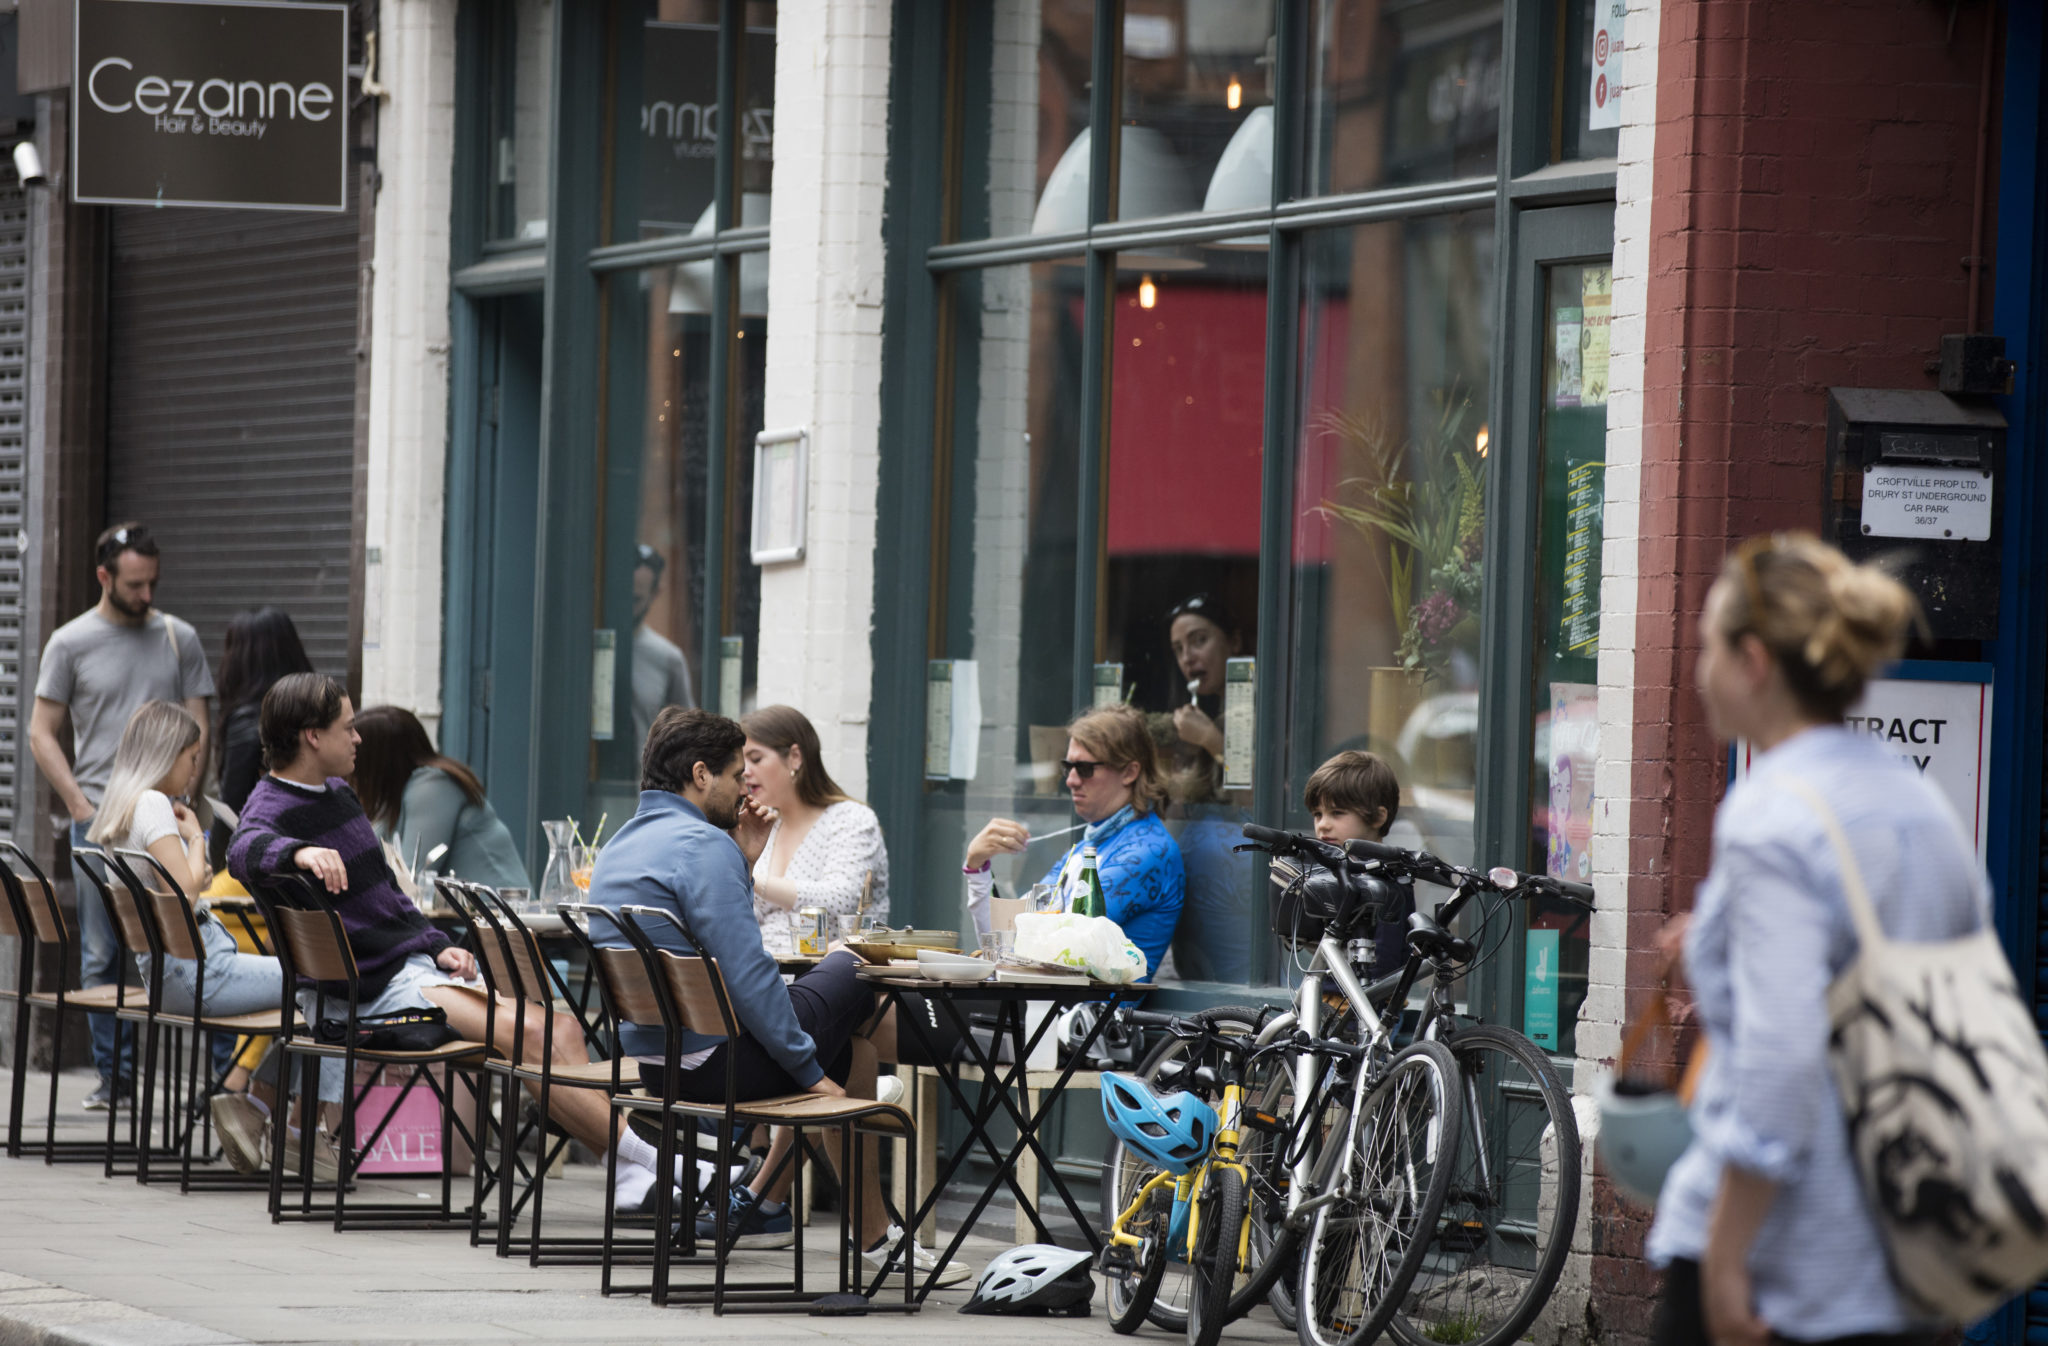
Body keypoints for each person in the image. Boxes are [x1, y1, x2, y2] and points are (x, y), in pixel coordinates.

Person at [1645, 533, 1982, 1346]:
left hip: (1787, 1263)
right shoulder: (1914, 801)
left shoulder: (1772, 814)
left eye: (1707, 650)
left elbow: (1782, 1059)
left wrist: (1726, 1258)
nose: (1698, 675)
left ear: (1753, 661)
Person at [227, 674, 669, 1206]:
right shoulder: (272, 804)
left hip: (409, 971)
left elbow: (388, 894)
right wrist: (296, 853)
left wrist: (437, 944)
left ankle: (627, 1171)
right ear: (311, 737)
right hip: (370, 997)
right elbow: (243, 848)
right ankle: (648, 1161)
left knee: (562, 1027)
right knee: (531, 1034)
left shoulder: (337, 794)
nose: (358, 737)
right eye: (347, 727)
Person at [585, 707, 968, 1285]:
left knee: (852, 1053)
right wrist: (807, 1071)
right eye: (737, 773)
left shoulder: (620, 845)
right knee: (856, 962)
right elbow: (748, 976)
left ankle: (869, 1237)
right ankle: (860, 1207)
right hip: (720, 1068)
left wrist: (744, 858)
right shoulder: (701, 846)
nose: (746, 787)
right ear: (700, 774)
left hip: (660, 1069)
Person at [29, 522, 216, 1112]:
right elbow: (41, 732)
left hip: (162, 815)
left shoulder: (178, 637)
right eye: (135, 584)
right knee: (102, 952)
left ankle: (206, 1085)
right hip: (99, 819)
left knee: (179, 937)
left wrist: (188, 793)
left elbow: (199, 724)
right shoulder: (70, 642)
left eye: (154, 583)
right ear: (104, 577)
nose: (148, 595)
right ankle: (117, 1081)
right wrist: (81, 805)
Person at [86, 701, 282, 1173]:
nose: (196, 770)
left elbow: (180, 889)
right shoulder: (153, 804)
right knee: (328, 984)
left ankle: (249, 1104)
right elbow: (187, 890)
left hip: (169, 974)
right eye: (193, 758)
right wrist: (197, 838)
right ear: (169, 753)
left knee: (317, 992)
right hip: (198, 972)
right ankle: (284, 1124)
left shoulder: (121, 807)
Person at [965, 704, 1185, 980]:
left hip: (1093, 1018)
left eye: (1084, 768)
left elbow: (1057, 951)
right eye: (1067, 766)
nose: (1070, 780)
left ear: (1129, 772)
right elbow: (1004, 940)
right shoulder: (1088, 847)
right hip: (1048, 1010)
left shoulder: (1146, 851)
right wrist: (977, 868)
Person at [739, 704, 889, 954]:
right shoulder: (764, 824)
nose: (745, 771)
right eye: (741, 762)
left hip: (829, 973)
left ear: (795, 757)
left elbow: (842, 899)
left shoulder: (850, 819)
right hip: (761, 971)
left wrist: (752, 880)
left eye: (756, 759)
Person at [351, 705, 531, 892]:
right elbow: (368, 857)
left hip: (500, 914)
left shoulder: (432, 786)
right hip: (468, 916)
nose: (351, 751)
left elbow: (411, 877)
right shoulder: (397, 795)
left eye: (356, 748)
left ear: (377, 760)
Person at [210, 607, 315, 870]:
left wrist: (218, 866)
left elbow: (231, 811)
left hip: (265, 863)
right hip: (314, 856)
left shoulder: (247, 722)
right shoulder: (317, 711)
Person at [1303, 749, 1415, 978]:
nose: (1323, 824)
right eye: (1318, 814)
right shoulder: (1335, 867)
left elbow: (1385, 956)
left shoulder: (1386, 877)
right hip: (1327, 991)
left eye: (1337, 813)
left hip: (1362, 1000)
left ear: (1377, 817)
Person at [631, 545, 697, 748]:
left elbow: (686, 735)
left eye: (635, 599)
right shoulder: (579, 645)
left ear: (655, 594)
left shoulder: (667, 658)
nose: (624, 606)